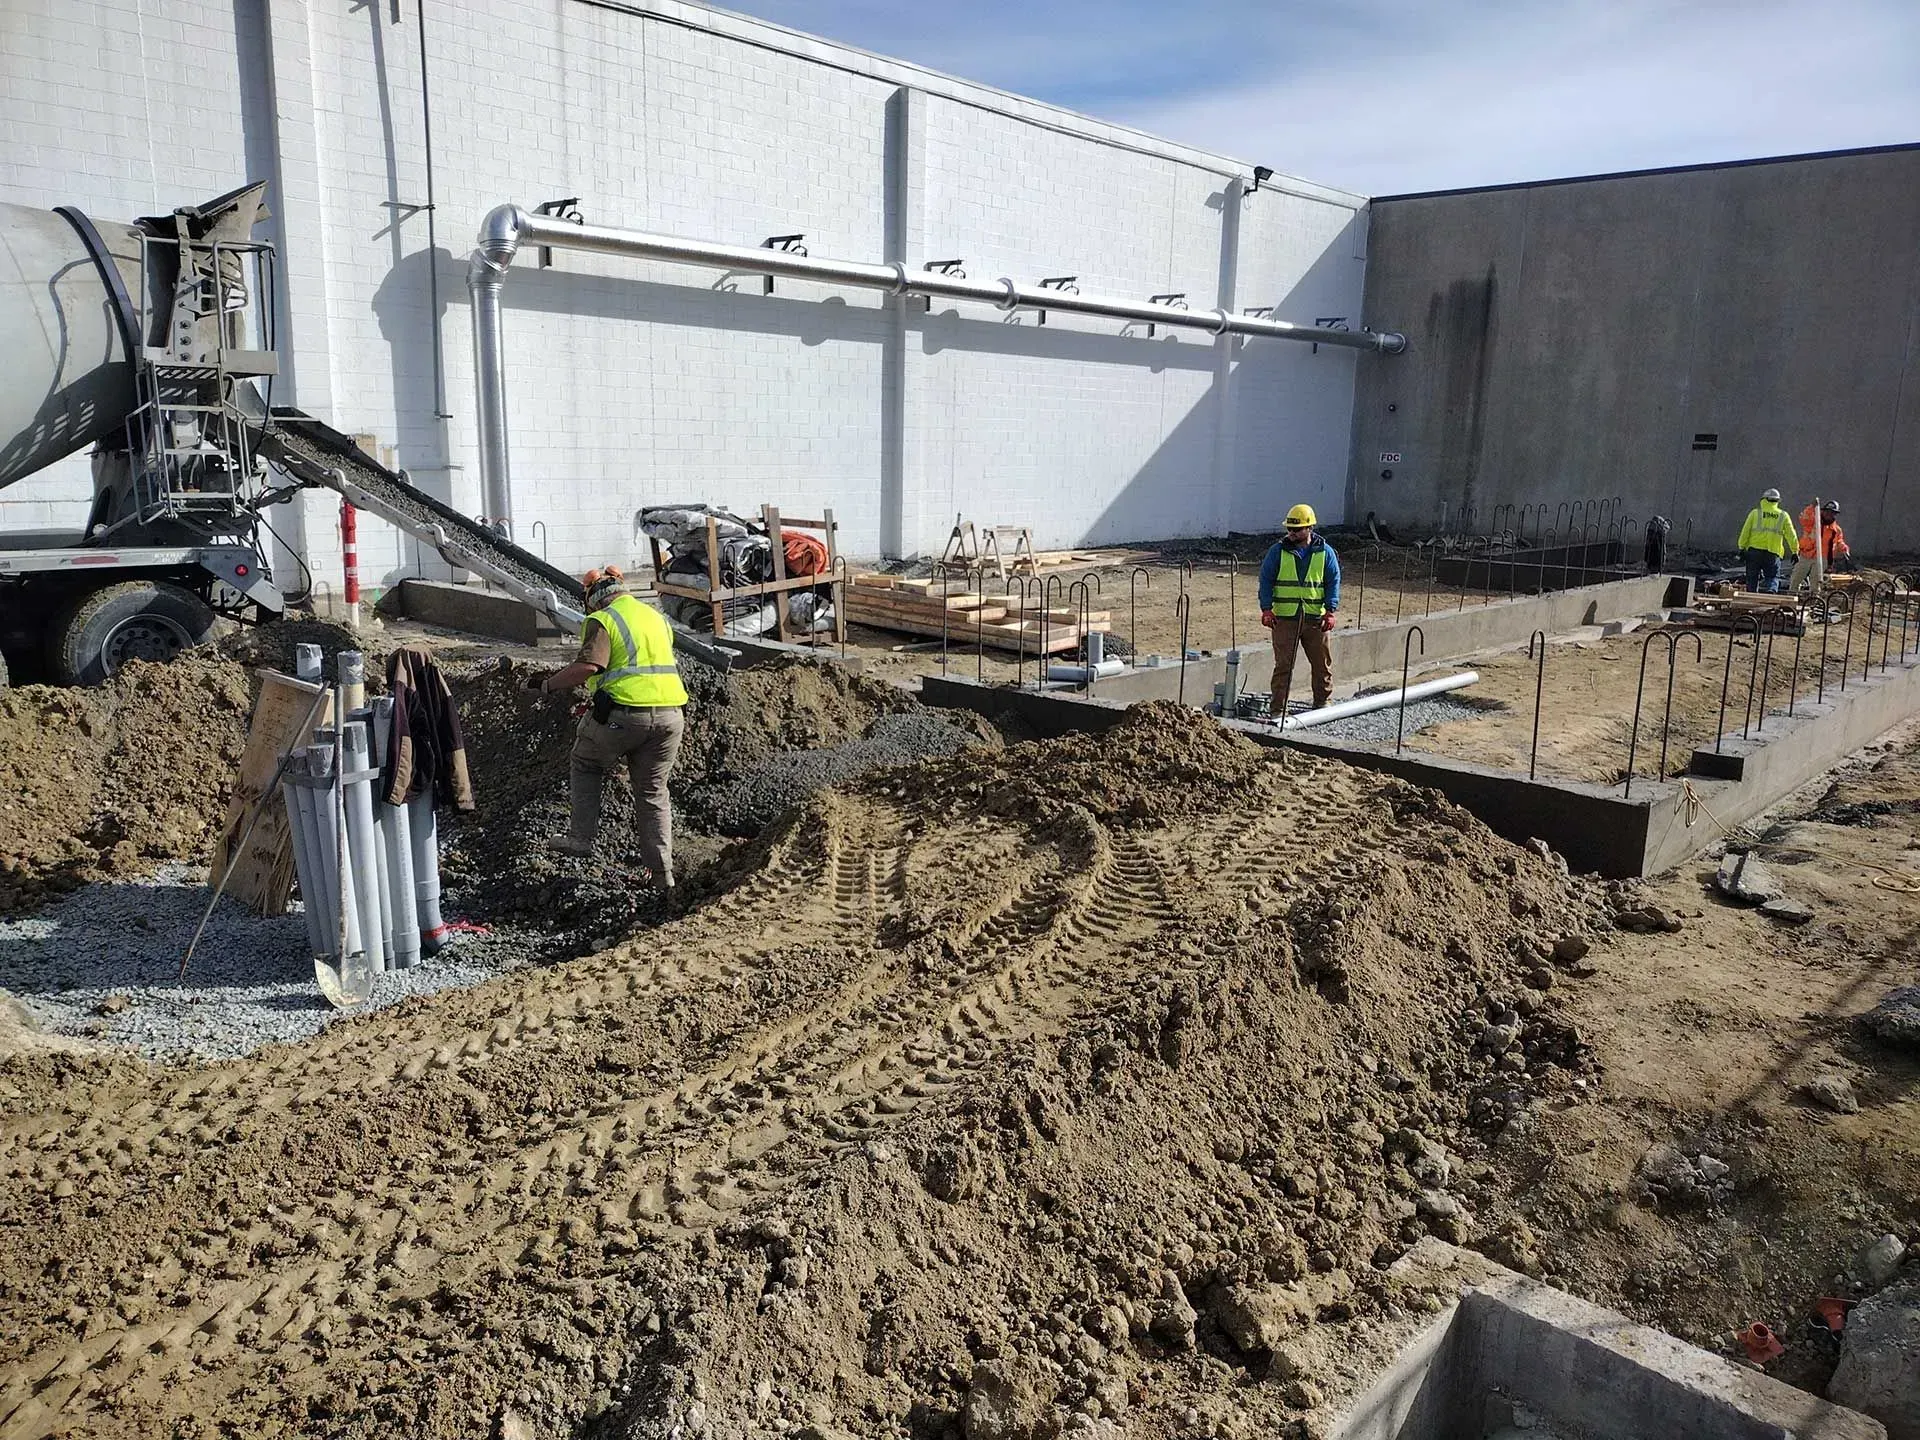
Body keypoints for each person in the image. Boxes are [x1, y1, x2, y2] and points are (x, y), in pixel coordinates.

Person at [532, 565, 687, 885]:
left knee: (586, 762)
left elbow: (589, 666)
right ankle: (661, 873)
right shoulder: (655, 617)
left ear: (595, 599)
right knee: (653, 791)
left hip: (625, 716)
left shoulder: (603, 620)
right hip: (671, 717)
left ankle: (580, 839)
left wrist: (548, 685)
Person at [1258, 504, 1341, 717]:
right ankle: (1278, 710)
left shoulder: (1325, 553)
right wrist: (1266, 609)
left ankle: (1322, 703)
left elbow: (1333, 582)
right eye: (1289, 529)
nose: (1292, 533)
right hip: (1285, 618)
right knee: (1283, 667)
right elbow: (1266, 580)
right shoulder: (1277, 552)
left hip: (1315, 618)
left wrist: (1330, 611)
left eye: (1297, 529)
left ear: (1309, 528)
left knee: (1321, 664)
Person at [1736, 488, 1797, 594]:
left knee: (1752, 577)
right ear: (1777, 501)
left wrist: (1741, 548)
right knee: (1772, 577)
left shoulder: (1755, 513)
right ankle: (1771, 594)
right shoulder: (1783, 515)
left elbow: (1745, 532)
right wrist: (1795, 551)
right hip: (1773, 553)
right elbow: (1791, 535)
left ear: (1764, 499)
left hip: (1754, 552)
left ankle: (1751, 598)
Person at [1788, 500, 1853, 591]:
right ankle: (1791, 599)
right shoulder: (1813, 523)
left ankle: (1813, 601)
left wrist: (1844, 548)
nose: (1829, 515)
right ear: (1823, 511)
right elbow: (1804, 518)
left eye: (1832, 513)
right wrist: (1811, 507)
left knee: (1816, 582)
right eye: (1827, 512)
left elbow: (1839, 541)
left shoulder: (1835, 530)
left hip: (1821, 559)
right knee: (1796, 579)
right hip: (1806, 555)